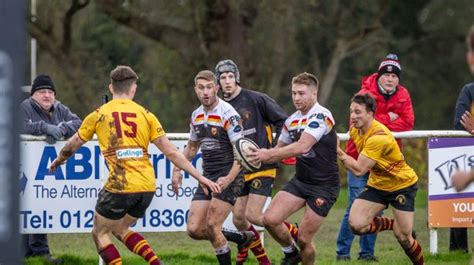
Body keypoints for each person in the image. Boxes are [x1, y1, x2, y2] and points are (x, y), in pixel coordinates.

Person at [48, 65, 220, 265]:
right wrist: (201, 177)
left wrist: (59, 161)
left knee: (99, 233)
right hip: (146, 187)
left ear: (111, 88)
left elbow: (71, 146)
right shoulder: (146, 114)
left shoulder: (99, 114)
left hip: (120, 185)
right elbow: (172, 152)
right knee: (120, 229)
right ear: (133, 89)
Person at [248, 72, 340, 265]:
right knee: (270, 219)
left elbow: (303, 146)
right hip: (301, 181)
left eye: (301, 93)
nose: (296, 98)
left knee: (305, 239)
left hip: (324, 186)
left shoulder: (321, 115)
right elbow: (278, 150)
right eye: (293, 93)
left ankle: (301, 254)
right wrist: (254, 157)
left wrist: (268, 154)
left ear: (314, 94)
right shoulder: (291, 121)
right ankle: (291, 253)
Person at [336, 53, 415, 261]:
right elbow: (356, 121)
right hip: (359, 157)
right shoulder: (364, 93)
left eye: (395, 76)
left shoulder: (403, 94)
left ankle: (367, 254)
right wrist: (386, 120)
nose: (390, 79)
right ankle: (342, 253)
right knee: (355, 206)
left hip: (384, 162)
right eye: (387, 75)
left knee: (374, 213)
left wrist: (379, 124)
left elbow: (408, 122)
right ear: (379, 76)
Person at [171, 70, 255, 265]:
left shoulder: (229, 114)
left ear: (216, 88)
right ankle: (242, 238)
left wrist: (228, 178)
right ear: (195, 90)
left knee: (212, 225)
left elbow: (240, 153)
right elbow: (192, 147)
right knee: (194, 229)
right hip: (208, 177)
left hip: (230, 175)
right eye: (201, 88)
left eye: (209, 87)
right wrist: (178, 170)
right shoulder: (196, 115)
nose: (206, 92)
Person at [214, 59, 292, 265]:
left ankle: (293, 237)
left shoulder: (257, 99)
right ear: (218, 83)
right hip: (239, 169)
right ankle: (264, 261)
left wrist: (274, 148)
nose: (228, 81)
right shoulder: (219, 107)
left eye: (231, 76)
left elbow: (285, 121)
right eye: (223, 78)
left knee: (255, 215)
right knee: (239, 219)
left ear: (237, 77)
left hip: (261, 165)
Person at [21, 74, 83, 264]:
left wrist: (62, 128)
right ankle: (26, 252)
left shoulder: (60, 108)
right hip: (23, 168)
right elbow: (17, 126)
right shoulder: (24, 107)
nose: (47, 95)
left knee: (40, 207)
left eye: (50, 92)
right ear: (33, 95)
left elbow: (80, 123)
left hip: (48, 170)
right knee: (24, 209)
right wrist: (44, 129)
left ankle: (39, 253)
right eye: (42, 92)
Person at [450, 24, 474, 253]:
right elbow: (460, 123)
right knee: (459, 203)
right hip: (467, 157)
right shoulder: (469, 90)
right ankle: (458, 251)